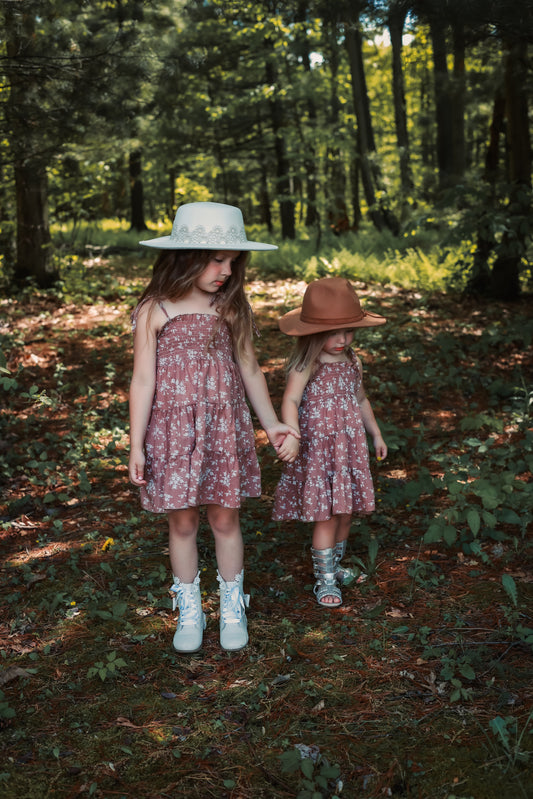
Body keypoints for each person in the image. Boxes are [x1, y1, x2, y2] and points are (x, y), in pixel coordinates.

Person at [128, 201, 298, 653]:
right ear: (186, 257)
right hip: (173, 432)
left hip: (223, 427)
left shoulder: (230, 306)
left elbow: (250, 368)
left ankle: (231, 604)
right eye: (217, 259)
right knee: (182, 521)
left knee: (224, 516)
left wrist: (272, 424)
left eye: (233, 261)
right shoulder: (155, 309)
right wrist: (136, 444)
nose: (227, 270)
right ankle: (189, 609)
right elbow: (142, 379)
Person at [273, 277, 388, 607]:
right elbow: (291, 400)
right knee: (326, 514)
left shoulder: (352, 361)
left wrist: (376, 433)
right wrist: (292, 434)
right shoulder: (307, 364)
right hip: (320, 449)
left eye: (349, 331)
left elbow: (361, 399)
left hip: (348, 448)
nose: (342, 340)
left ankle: (335, 566)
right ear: (313, 332)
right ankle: (324, 579)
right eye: (333, 333)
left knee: (345, 512)